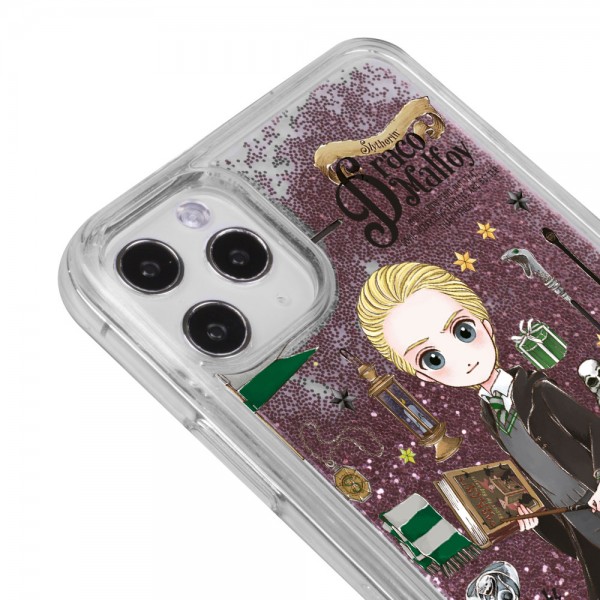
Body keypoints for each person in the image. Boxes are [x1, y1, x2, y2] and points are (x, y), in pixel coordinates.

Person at [356, 262, 600, 599]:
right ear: (423, 375)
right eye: (433, 358)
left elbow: (594, 429)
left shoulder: (538, 390)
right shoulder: (490, 415)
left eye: (463, 332)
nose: (461, 358)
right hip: (578, 522)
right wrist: (537, 519)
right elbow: (535, 477)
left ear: (484, 323)